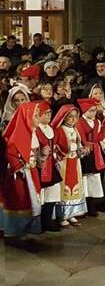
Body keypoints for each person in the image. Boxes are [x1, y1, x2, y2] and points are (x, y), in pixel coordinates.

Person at [0, 102, 43, 237]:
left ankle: (30, 227)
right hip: (20, 176)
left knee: (33, 201)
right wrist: (18, 166)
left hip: (32, 172)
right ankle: (15, 230)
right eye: (35, 116)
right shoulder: (17, 136)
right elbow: (10, 154)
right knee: (19, 201)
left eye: (38, 115)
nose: (38, 118)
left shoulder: (35, 132)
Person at [52, 104, 88, 227]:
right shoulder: (59, 130)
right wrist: (59, 154)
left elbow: (79, 145)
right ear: (64, 117)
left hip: (75, 161)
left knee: (75, 186)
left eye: (75, 117)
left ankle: (72, 214)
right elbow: (54, 146)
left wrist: (82, 150)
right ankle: (62, 215)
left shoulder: (75, 129)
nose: (73, 119)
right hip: (64, 163)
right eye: (70, 117)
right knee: (65, 187)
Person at [76, 98, 105, 217]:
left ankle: (92, 204)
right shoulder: (80, 122)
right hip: (86, 153)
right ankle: (84, 205)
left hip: (96, 153)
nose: (93, 113)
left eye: (94, 110)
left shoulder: (97, 122)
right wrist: (86, 145)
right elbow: (81, 137)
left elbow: (99, 136)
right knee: (84, 180)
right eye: (91, 111)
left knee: (94, 179)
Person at [35, 101, 62, 232]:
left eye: (50, 113)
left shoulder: (51, 128)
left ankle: (48, 219)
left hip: (51, 165)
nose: (48, 115)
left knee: (53, 192)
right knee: (42, 195)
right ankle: (40, 222)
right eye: (45, 113)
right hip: (40, 167)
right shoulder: (36, 130)